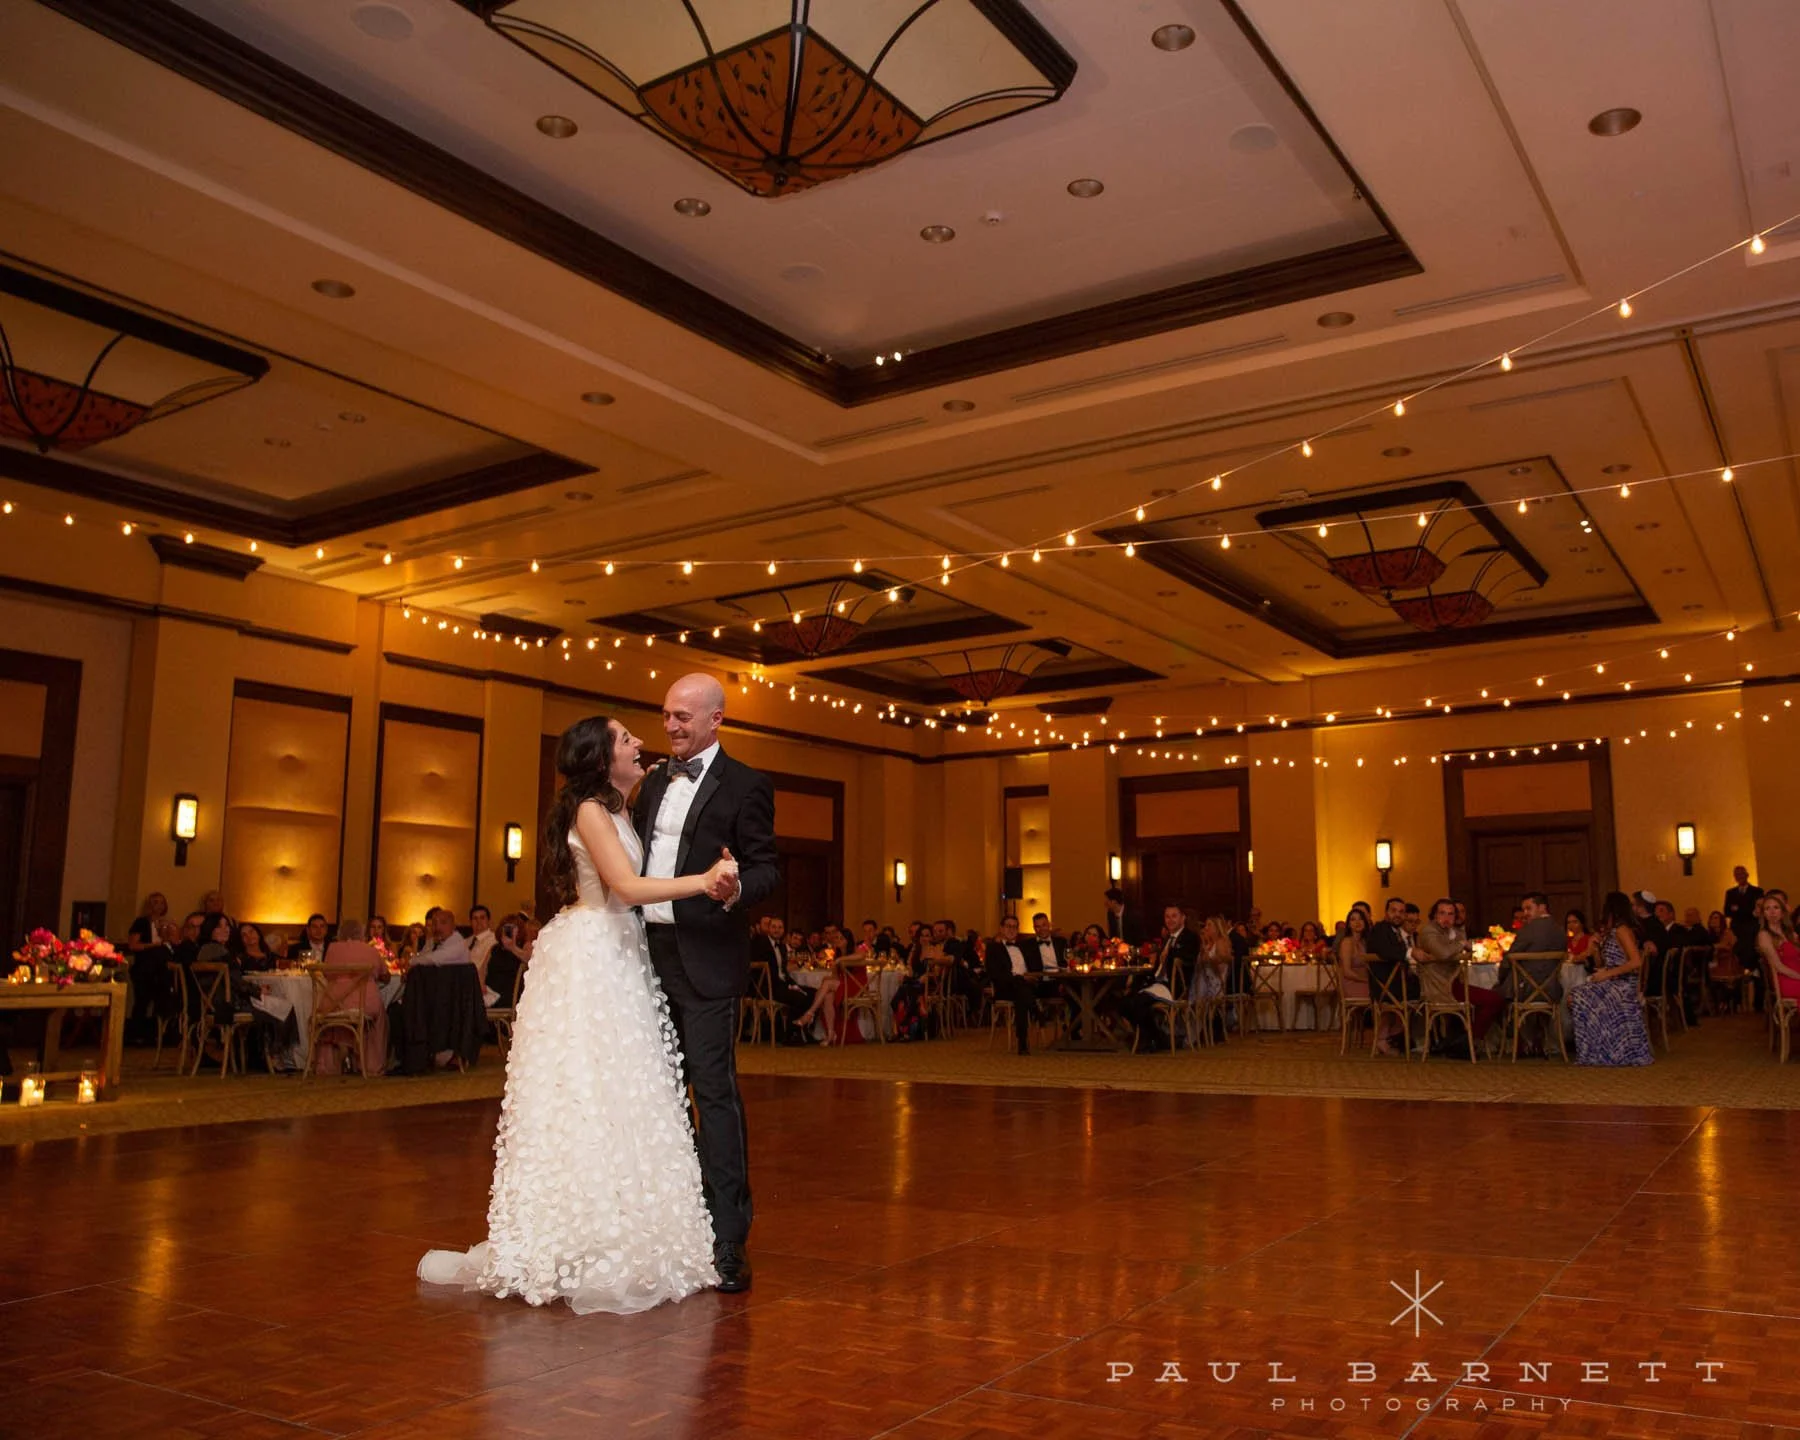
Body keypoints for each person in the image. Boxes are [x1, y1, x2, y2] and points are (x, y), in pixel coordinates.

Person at [419, 713, 740, 1314]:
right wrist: (703, 880)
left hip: (621, 955)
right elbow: (624, 885)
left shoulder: (619, 805)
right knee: (587, 1092)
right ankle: (578, 1235)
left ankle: (627, 1230)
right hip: (594, 955)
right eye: (625, 739)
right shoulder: (591, 812)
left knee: (629, 1091)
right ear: (600, 757)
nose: (638, 741)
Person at [631, 673, 779, 1295]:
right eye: (667, 716)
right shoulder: (652, 781)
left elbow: (767, 865)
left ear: (717, 719)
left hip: (707, 959)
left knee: (712, 1094)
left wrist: (737, 888)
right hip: (640, 957)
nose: (671, 727)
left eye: (684, 718)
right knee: (654, 1099)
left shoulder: (747, 784)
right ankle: (670, 1222)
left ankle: (727, 1239)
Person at [1568, 891, 1653, 1065]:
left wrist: (1607, 974)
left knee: (1578, 996)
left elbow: (1636, 962)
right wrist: (1595, 949)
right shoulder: (1611, 932)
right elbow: (1604, 962)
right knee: (1576, 994)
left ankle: (1603, 1049)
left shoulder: (1622, 930)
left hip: (1623, 984)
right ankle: (1600, 1047)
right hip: (1613, 980)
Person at [1412, 898, 1504, 1052]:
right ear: (1434, 915)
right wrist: (1462, 944)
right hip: (1442, 987)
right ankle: (1469, 1040)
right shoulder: (1429, 931)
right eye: (1442, 913)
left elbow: (1472, 949)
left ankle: (1462, 1039)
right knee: (1495, 1000)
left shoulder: (1453, 932)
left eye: (1451, 914)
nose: (1446, 918)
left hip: (1455, 982)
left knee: (1496, 996)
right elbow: (1443, 953)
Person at [315, 918, 389, 1076]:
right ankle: (369, 1065)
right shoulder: (370, 950)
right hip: (364, 1004)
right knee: (379, 1014)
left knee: (335, 1014)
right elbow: (385, 976)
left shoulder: (332, 949)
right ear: (362, 934)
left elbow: (327, 974)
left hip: (334, 1003)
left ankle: (330, 1065)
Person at [1123, 905, 1199, 1051]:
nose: (1170, 920)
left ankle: (1150, 1038)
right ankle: (1157, 1037)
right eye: (1167, 917)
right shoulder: (1167, 939)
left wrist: (1169, 955)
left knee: (1139, 1002)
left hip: (1174, 985)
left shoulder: (1190, 937)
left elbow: (1187, 959)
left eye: (1174, 916)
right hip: (1156, 983)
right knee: (1124, 1003)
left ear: (1183, 918)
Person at [985, 914, 1048, 1055]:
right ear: (1001, 928)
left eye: (1014, 927)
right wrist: (1017, 978)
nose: (1011, 930)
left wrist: (1030, 977)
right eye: (1008, 926)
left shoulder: (1025, 946)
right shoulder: (993, 948)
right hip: (1005, 987)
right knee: (1020, 987)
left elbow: (1036, 966)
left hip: (1026, 986)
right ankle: (1035, 1011)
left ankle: (1023, 1041)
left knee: (1022, 993)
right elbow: (994, 973)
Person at [1724, 866, 1765, 1010]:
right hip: (1737, 932)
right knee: (1737, 957)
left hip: (1752, 931)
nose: (1739, 876)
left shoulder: (1757, 891)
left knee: (1753, 956)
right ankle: (1751, 971)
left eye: (1742, 873)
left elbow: (1753, 911)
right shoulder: (1730, 892)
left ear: (1747, 875)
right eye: (1737, 874)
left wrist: (1739, 910)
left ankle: (1753, 971)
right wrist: (1744, 911)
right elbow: (1728, 911)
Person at [1755, 893, 1800, 1008]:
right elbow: (1778, 966)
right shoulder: (1764, 935)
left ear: (1782, 912)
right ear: (1764, 914)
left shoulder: (1790, 933)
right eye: (1767, 908)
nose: (1772, 912)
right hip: (1786, 978)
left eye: (1776, 907)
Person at [467, 905, 497, 983]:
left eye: (482, 918)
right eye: (475, 918)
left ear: (489, 921)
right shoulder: (465, 942)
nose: (478, 921)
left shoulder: (494, 941)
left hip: (479, 982)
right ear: (470, 922)